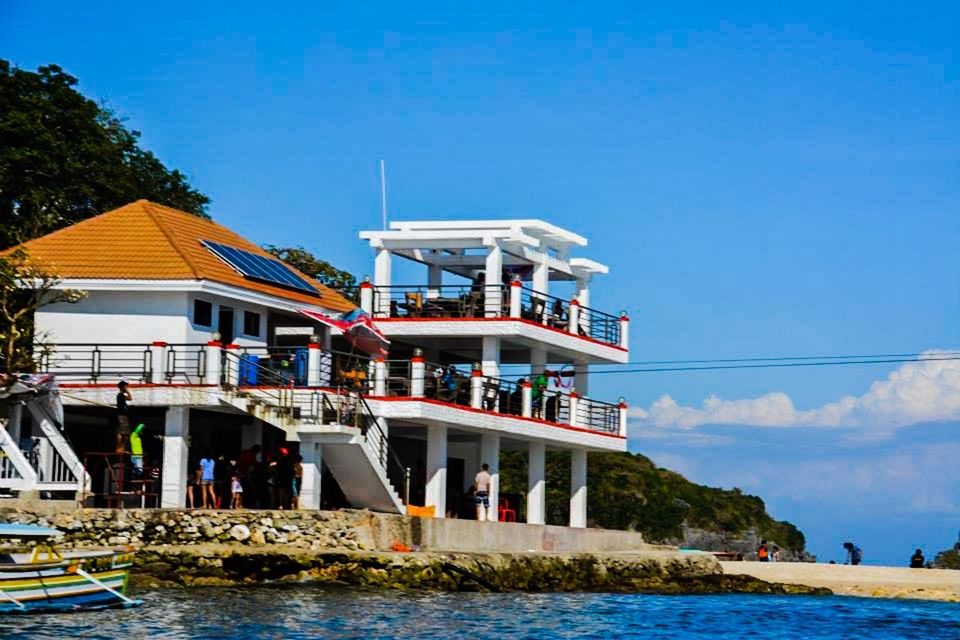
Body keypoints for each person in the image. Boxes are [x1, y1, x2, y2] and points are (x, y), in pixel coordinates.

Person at [115, 381, 132, 453]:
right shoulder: (120, 395)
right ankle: (118, 448)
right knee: (120, 432)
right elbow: (130, 398)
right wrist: (127, 391)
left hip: (124, 416)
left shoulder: (121, 395)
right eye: (126, 386)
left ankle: (121, 448)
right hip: (121, 415)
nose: (127, 388)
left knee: (125, 433)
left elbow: (129, 399)